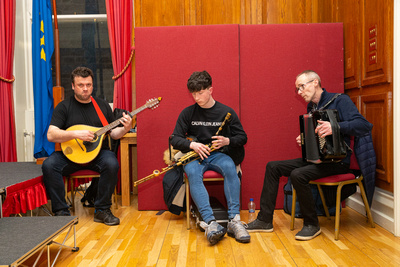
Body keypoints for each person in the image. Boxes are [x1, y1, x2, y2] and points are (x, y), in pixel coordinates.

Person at [247, 70, 373, 240]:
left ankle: (311, 225)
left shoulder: (340, 100)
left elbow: (364, 125)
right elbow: (317, 136)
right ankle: (264, 220)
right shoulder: (312, 107)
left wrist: (335, 127)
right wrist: (306, 140)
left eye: (301, 87)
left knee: (298, 174)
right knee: (273, 166)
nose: (299, 92)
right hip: (319, 160)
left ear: (315, 82)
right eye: (297, 89)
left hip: (338, 161)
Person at [42, 66, 132, 226]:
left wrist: (125, 128)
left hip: (97, 155)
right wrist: (75, 134)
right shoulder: (64, 107)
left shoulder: (102, 106)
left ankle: (102, 210)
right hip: (71, 155)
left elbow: (112, 134)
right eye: (81, 85)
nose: (85, 89)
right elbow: (51, 134)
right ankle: (61, 212)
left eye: (88, 85)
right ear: (73, 86)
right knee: (49, 165)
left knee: (111, 163)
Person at [170, 70, 249, 245]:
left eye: (200, 92)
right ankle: (210, 223)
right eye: (193, 94)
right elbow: (174, 138)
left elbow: (243, 137)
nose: (196, 97)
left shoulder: (226, 112)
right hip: (195, 157)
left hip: (219, 155)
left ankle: (234, 221)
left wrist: (227, 140)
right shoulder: (188, 113)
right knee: (192, 172)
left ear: (210, 90)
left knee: (230, 167)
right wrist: (193, 145)